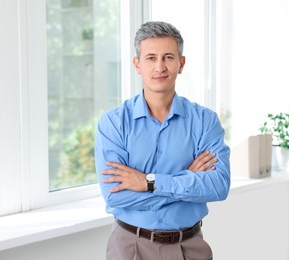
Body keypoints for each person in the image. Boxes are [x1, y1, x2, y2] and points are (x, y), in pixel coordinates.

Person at [94, 21, 230, 260]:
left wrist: (148, 182)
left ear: (181, 64)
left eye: (168, 57)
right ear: (137, 64)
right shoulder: (114, 123)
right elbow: (116, 195)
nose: (160, 66)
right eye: (150, 58)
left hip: (189, 247)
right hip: (129, 247)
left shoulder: (205, 121)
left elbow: (218, 185)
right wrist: (187, 180)